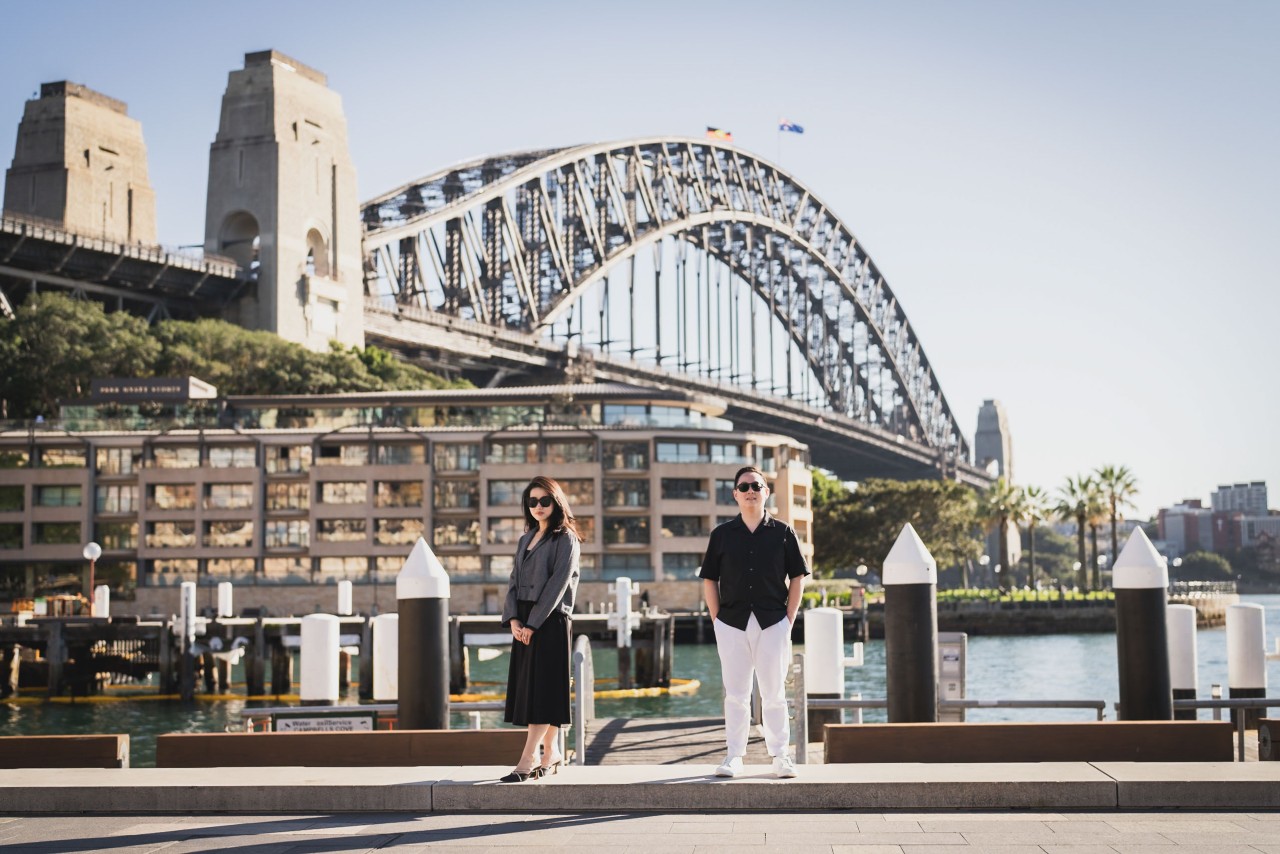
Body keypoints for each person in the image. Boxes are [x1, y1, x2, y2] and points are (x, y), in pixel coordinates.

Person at [700, 465, 809, 779]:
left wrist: (789, 618)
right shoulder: (721, 535)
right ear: (735, 494)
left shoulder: (784, 532)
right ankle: (734, 756)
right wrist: (717, 620)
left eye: (756, 486)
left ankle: (781, 756)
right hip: (731, 623)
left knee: (774, 694)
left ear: (766, 492)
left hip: (773, 622)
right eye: (744, 487)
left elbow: (798, 577)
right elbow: (709, 579)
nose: (751, 491)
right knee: (735, 694)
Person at [498, 476, 582, 782]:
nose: (538, 506)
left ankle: (528, 758)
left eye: (544, 501)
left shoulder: (566, 539)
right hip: (524, 621)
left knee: (542, 693)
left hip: (550, 621)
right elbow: (513, 581)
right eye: (532, 501)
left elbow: (557, 585)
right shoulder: (526, 539)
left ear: (556, 502)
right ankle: (552, 752)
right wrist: (514, 619)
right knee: (538, 691)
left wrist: (533, 623)